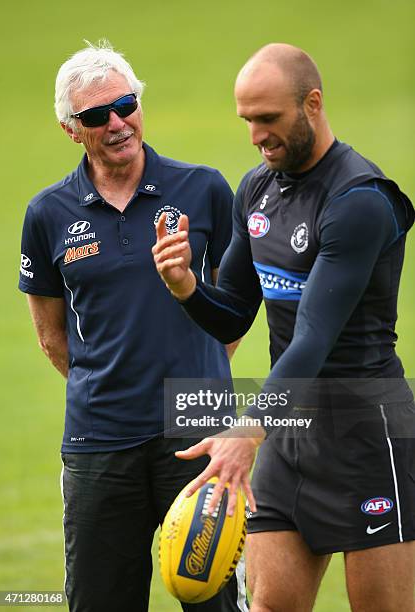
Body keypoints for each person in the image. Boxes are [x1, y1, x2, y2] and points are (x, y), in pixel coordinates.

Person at [153, 43, 415, 611]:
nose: (256, 136)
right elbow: (235, 313)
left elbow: (312, 341)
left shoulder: (359, 201)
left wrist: (244, 433)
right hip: (290, 425)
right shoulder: (257, 189)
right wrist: (188, 291)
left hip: (365, 433)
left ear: (312, 104)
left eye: (268, 119)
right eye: (248, 120)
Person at [19, 41, 247, 612]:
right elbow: (52, 336)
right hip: (99, 445)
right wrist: (110, 383)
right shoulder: (47, 214)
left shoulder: (204, 188)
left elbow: (234, 310)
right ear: (73, 129)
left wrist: (201, 373)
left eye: (125, 105)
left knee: (213, 600)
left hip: (197, 438)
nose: (118, 123)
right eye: (98, 115)